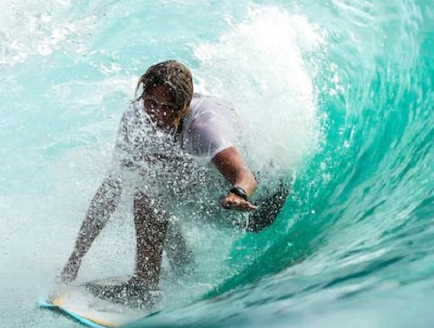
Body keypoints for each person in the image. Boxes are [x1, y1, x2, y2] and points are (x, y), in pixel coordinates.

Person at [58, 61, 290, 310]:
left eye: (169, 107)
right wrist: (76, 258)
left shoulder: (204, 127)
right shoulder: (136, 118)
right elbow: (110, 192)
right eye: (152, 103)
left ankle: (145, 287)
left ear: (185, 104)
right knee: (148, 178)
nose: (158, 114)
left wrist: (238, 193)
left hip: (257, 206)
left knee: (151, 188)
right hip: (212, 197)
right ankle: (180, 273)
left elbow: (245, 175)